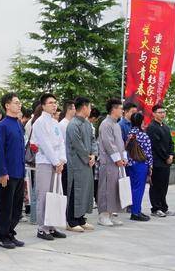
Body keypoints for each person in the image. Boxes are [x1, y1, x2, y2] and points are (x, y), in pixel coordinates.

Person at [30, 93, 67, 241]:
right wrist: (56, 162)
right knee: (44, 195)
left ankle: (52, 226)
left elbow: (61, 143)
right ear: (43, 106)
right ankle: (42, 228)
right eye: (50, 103)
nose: (54, 105)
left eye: (55, 102)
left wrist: (62, 160)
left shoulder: (55, 122)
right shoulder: (39, 123)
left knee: (54, 194)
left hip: (56, 163)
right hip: (45, 162)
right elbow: (45, 145)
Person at [0, 93, 26, 249]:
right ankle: (1, 236)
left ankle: (10, 233)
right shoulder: (2, 125)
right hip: (6, 173)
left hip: (19, 172)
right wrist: (2, 172)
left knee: (16, 206)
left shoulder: (18, 124)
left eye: (19, 103)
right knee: (4, 206)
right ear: (7, 105)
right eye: (16, 102)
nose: (19, 105)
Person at [64, 97, 96, 232]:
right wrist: (88, 157)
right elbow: (77, 145)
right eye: (89, 107)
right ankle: (71, 221)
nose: (90, 110)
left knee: (85, 191)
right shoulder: (73, 124)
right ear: (84, 107)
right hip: (76, 164)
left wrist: (93, 154)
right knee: (75, 191)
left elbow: (93, 140)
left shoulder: (87, 124)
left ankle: (81, 219)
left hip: (87, 163)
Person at [97, 99, 126, 227]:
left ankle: (111, 214)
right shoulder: (105, 124)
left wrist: (124, 157)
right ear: (113, 109)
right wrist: (118, 159)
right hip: (108, 162)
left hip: (117, 163)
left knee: (114, 189)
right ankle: (103, 215)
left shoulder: (116, 124)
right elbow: (109, 144)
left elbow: (120, 144)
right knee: (106, 189)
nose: (122, 111)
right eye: (120, 108)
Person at [146, 103, 175, 217]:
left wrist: (171, 155)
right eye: (160, 112)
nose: (162, 114)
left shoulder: (166, 127)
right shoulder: (152, 127)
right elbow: (156, 146)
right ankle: (155, 208)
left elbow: (171, 143)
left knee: (164, 185)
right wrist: (166, 157)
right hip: (157, 162)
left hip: (166, 162)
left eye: (164, 112)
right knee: (156, 186)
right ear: (154, 114)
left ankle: (164, 207)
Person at [127, 112, 153, 222]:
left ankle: (136, 209)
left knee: (133, 188)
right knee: (139, 189)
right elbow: (148, 153)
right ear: (142, 121)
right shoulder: (143, 135)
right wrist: (150, 166)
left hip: (130, 164)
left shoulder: (129, 134)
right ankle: (135, 213)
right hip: (141, 164)